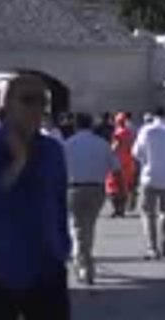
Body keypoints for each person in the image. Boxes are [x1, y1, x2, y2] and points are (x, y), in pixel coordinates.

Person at [0, 69, 71, 320]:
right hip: (1, 268)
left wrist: (63, 245)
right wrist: (16, 164)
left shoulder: (52, 149)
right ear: (7, 104)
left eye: (43, 102)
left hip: (47, 266)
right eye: (28, 100)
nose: (36, 108)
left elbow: (58, 202)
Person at [63, 112, 121, 284]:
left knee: (78, 228)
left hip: (74, 188)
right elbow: (116, 169)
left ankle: (84, 264)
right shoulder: (102, 144)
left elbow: (58, 171)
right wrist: (122, 190)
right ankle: (83, 259)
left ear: (76, 125)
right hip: (97, 190)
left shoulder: (67, 145)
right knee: (88, 226)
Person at [132, 107, 165, 259]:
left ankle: (152, 247)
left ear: (153, 116)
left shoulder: (147, 131)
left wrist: (146, 159)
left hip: (149, 175)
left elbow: (136, 152)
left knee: (148, 213)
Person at [106, 113, 136, 218]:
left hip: (117, 162)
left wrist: (109, 152)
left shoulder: (118, 133)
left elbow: (115, 146)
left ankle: (116, 209)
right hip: (128, 162)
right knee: (124, 187)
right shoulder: (129, 132)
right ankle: (122, 209)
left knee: (112, 187)